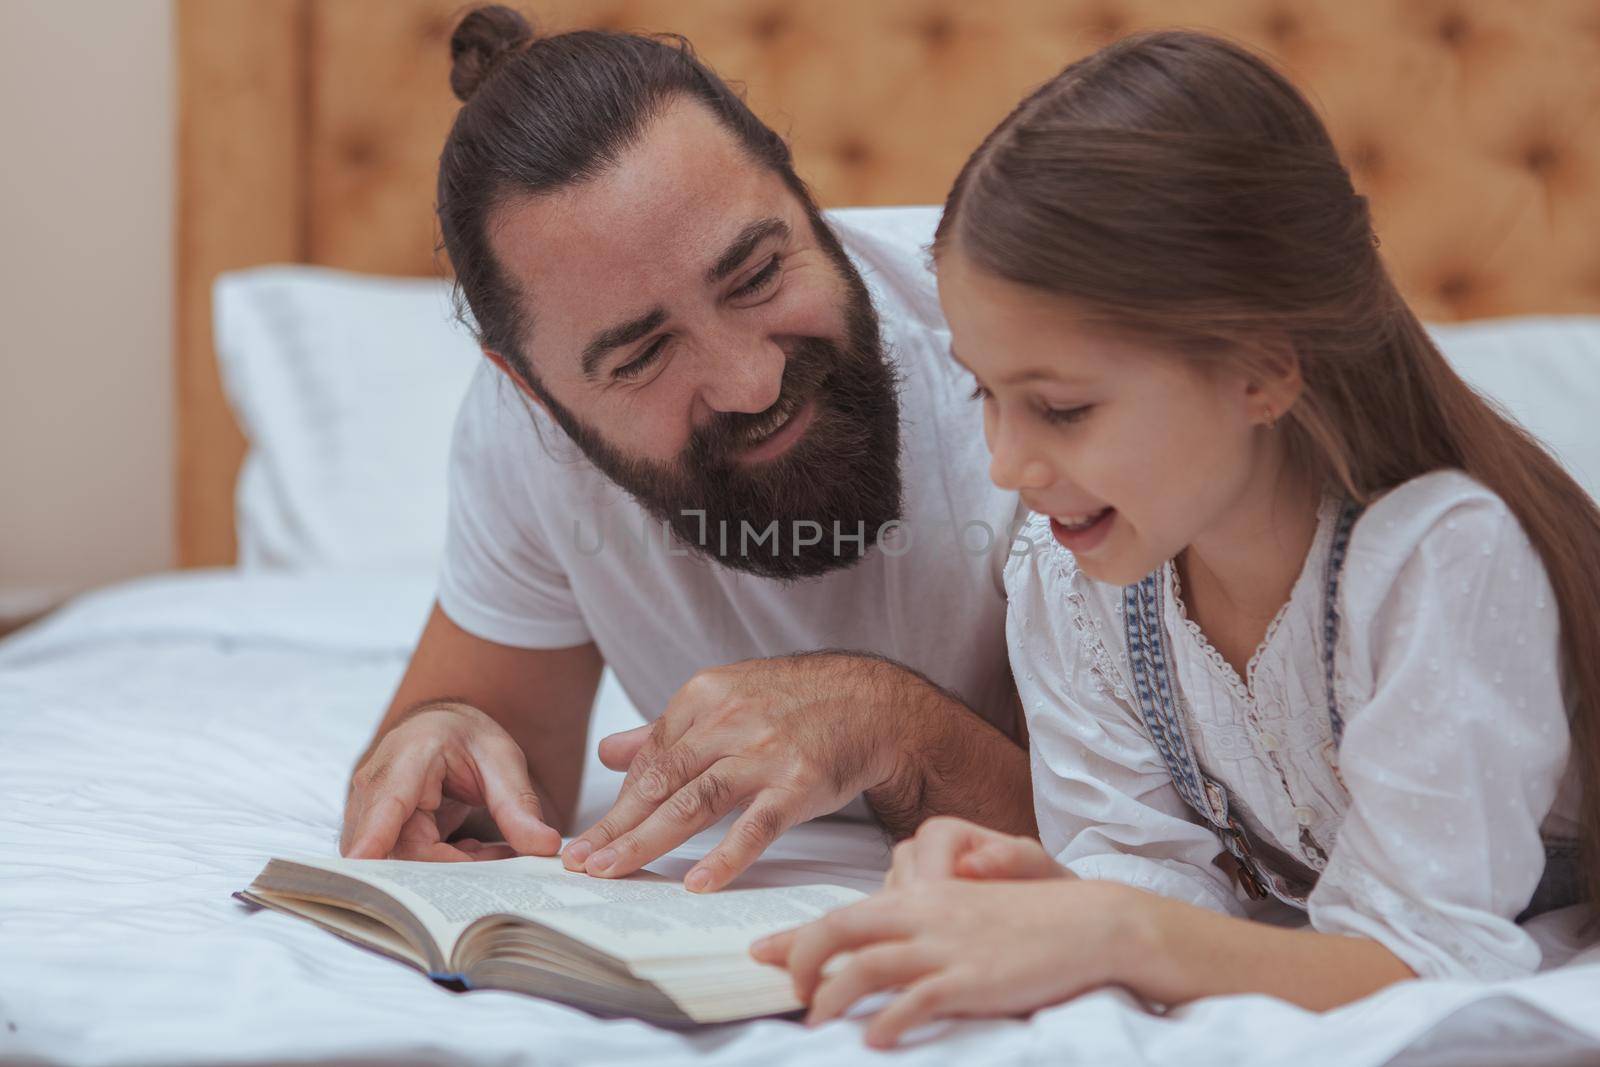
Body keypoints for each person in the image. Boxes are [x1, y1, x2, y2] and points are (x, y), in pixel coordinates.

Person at [752, 29, 1598, 1046]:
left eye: (1060, 407)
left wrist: (1114, 927)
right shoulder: (1080, 581)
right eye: (987, 392)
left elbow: (1423, 960)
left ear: (1259, 370)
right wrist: (1045, 894)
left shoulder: (1438, 561)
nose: (1006, 465)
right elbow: (1147, 870)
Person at [337, 5, 1037, 894]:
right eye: (642, 355)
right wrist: (437, 745)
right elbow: (490, 757)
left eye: (756, 275)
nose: (750, 381)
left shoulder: (1032, 353)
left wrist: (886, 722)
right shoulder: (523, 438)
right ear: (535, 394)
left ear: (805, 198)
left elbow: (1172, 839)